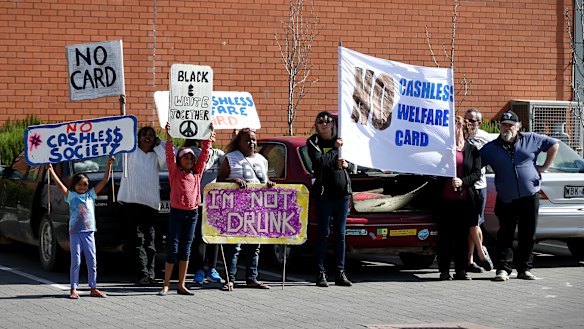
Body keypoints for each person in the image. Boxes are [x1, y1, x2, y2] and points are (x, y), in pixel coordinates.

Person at [480, 110, 559, 281]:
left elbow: (554, 144)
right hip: (506, 198)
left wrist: (544, 167)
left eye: (510, 125)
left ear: (518, 127)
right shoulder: (491, 148)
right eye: (503, 125)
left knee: (528, 234)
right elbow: (475, 163)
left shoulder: (531, 139)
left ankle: (524, 268)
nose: (506, 128)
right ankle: (503, 269)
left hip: (530, 196)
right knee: (505, 234)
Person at [47, 156, 115, 299]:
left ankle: (93, 287)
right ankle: (73, 288)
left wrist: (109, 164)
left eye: (85, 184)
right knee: (76, 261)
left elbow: (104, 180)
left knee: (92, 260)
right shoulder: (71, 196)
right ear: (74, 185)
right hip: (75, 233)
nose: (82, 187)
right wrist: (51, 171)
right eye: (79, 184)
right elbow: (59, 185)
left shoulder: (91, 195)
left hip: (89, 233)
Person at [217, 128, 275, 291]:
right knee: (235, 246)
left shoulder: (262, 160)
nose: (252, 143)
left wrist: (269, 184)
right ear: (239, 143)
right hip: (237, 209)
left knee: (254, 246)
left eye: (254, 140)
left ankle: (252, 278)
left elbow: (265, 179)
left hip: (257, 209)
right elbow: (220, 180)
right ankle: (230, 279)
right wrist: (233, 180)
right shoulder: (231, 158)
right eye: (247, 140)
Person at [159, 122, 212, 296]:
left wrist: (208, 136)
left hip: (192, 214)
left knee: (186, 248)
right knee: (173, 247)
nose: (189, 160)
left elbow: (204, 155)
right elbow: (169, 154)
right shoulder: (175, 172)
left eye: (191, 158)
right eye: (185, 158)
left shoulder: (196, 174)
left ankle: (181, 285)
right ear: (179, 160)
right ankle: (166, 284)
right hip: (177, 213)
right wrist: (169, 135)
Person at [306, 111, 355, 287]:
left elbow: (353, 166)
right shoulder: (314, 142)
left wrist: (346, 164)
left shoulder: (343, 141)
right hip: (324, 194)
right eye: (320, 121)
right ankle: (320, 272)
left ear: (333, 124)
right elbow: (320, 163)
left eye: (328, 121)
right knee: (324, 233)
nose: (324, 123)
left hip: (342, 194)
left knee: (340, 235)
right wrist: (335, 149)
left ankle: (340, 272)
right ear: (316, 125)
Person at [434, 116, 482, 280]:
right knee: (445, 237)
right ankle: (444, 270)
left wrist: (463, 181)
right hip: (446, 201)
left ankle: (461, 269)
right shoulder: (443, 149)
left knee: (462, 236)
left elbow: (476, 173)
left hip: (465, 201)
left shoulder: (472, 150)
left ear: (461, 126)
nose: (452, 127)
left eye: (455, 123)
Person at [117, 126, 166, 286]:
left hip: (150, 203)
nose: (147, 138)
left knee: (150, 241)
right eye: (144, 135)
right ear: (138, 137)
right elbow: (118, 144)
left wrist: (159, 144)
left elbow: (166, 160)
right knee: (138, 240)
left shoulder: (156, 155)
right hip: (132, 202)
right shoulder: (130, 152)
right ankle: (142, 274)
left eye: (151, 135)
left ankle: (151, 274)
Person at [184, 136, 225, 285]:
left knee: (213, 236)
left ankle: (212, 269)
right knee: (198, 238)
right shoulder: (192, 152)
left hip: (213, 203)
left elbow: (229, 164)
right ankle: (199, 270)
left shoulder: (218, 154)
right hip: (197, 202)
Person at [464, 108, 494, 273]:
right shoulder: (460, 136)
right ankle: (480, 254)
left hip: (479, 185)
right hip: (465, 186)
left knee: (475, 223)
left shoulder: (485, 138)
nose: (468, 123)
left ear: (479, 123)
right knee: (472, 223)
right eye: (466, 120)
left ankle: (471, 259)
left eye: (472, 121)